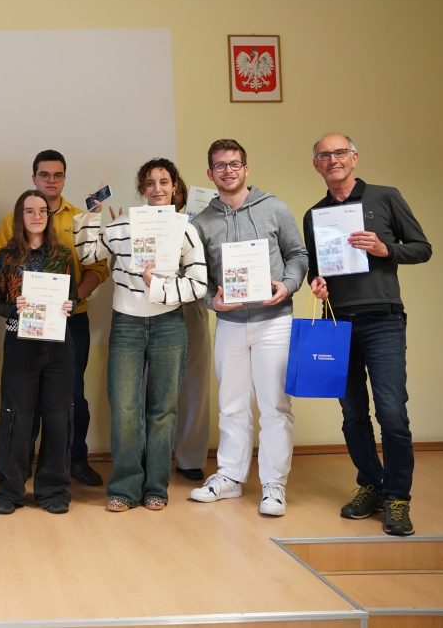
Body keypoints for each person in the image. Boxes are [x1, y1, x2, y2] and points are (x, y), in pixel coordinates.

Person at [304, 133, 431, 536]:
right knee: (353, 413)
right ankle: (372, 486)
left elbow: (422, 248)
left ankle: (398, 497)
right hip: (337, 323)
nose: (333, 160)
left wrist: (384, 249)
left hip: (383, 319)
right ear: (316, 164)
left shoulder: (385, 197)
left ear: (354, 158)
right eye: (324, 155)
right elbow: (316, 270)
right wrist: (317, 284)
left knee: (392, 412)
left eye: (340, 152)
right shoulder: (314, 215)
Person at [75, 159, 207, 512]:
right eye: (150, 183)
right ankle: (124, 488)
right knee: (125, 408)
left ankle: (156, 487)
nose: (157, 189)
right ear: (142, 189)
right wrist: (92, 215)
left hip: (169, 324)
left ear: (175, 187)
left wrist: (158, 286)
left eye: (164, 182)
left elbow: (198, 284)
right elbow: (88, 254)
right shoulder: (122, 225)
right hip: (127, 325)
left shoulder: (185, 229)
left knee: (163, 410)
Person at [189, 139, 308, 517]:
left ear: (246, 168)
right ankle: (230, 476)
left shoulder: (275, 208)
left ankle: (274, 485)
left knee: (275, 405)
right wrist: (213, 302)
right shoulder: (201, 223)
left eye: (234, 164)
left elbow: (298, 254)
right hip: (230, 323)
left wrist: (287, 285)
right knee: (231, 404)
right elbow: (198, 278)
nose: (228, 171)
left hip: (275, 321)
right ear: (210, 173)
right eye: (220, 166)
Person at [0, 150, 110, 486]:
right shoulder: (13, 221)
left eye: (58, 175)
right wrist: (18, 302)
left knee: (71, 397)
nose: (51, 180)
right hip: (25, 324)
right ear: (34, 178)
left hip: (71, 321)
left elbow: (98, 267)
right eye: (45, 174)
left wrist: (72, 299)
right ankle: (22, 468)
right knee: (24, 400)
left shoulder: (82, 218)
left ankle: (74, 462)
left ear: (64, 179)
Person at [0, 189, 76, 515]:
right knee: (16, 417)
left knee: (57, 417)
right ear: (20, 217)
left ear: (48, 216)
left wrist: (69, 305)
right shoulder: (7, 256)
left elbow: (72, 298)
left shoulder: (63, 255)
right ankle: (9, 491)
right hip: (20, 345)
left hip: (57, 345)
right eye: (29, 211)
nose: (37, 216)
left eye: (42, 210)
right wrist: (15, 306)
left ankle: (53, 490)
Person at [173, 177, 212, 482]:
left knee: (194, 385)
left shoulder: (200, 222)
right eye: (155, 184)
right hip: (152, 308)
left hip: (191, 306)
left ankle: (190, 457)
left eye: (171, 185)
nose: (164, 191)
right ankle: (150, 454)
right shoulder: (140, 223)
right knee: (148, 386)